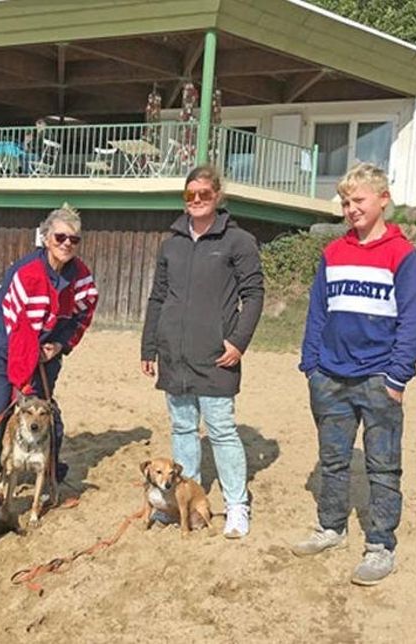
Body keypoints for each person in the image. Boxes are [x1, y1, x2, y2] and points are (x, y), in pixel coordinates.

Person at [293, 162, 416, 586]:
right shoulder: (333, 253)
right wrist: (311, 365)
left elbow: (412, 320)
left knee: (383, 466)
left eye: (359, 200)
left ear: (383, 199)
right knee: (333, 460)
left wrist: (397, 377)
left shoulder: (402, 255)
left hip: (378, 379)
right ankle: (330, 526)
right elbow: (318, 312)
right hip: (329, 377)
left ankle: (380, 545)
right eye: (345, 202)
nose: (351, 209)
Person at [140, 165, 264, 539]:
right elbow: (158, 297)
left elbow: (254, 294)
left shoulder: (238, 241)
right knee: (182, 428)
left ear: (218, 196)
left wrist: (238, 341)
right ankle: (184, 499)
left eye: (204, 194)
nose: (196, 200)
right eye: (189, 195)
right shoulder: (171, 243)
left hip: (216, 354)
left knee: (222, 429)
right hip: (173, 354)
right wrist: (149, 345)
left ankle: (237, 505)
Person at [0, 204, 98, 488]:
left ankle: (50, 471)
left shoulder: (81, 277)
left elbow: (83, 314)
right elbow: (20, 329)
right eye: (60, 237)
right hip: (4, 343)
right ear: (45, 238)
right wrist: (24, 379)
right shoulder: (28, 274)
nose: (66, 244)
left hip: (47, 347)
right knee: (1, 405)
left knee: (44, 408)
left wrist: (60, 345)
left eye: (74, 239)